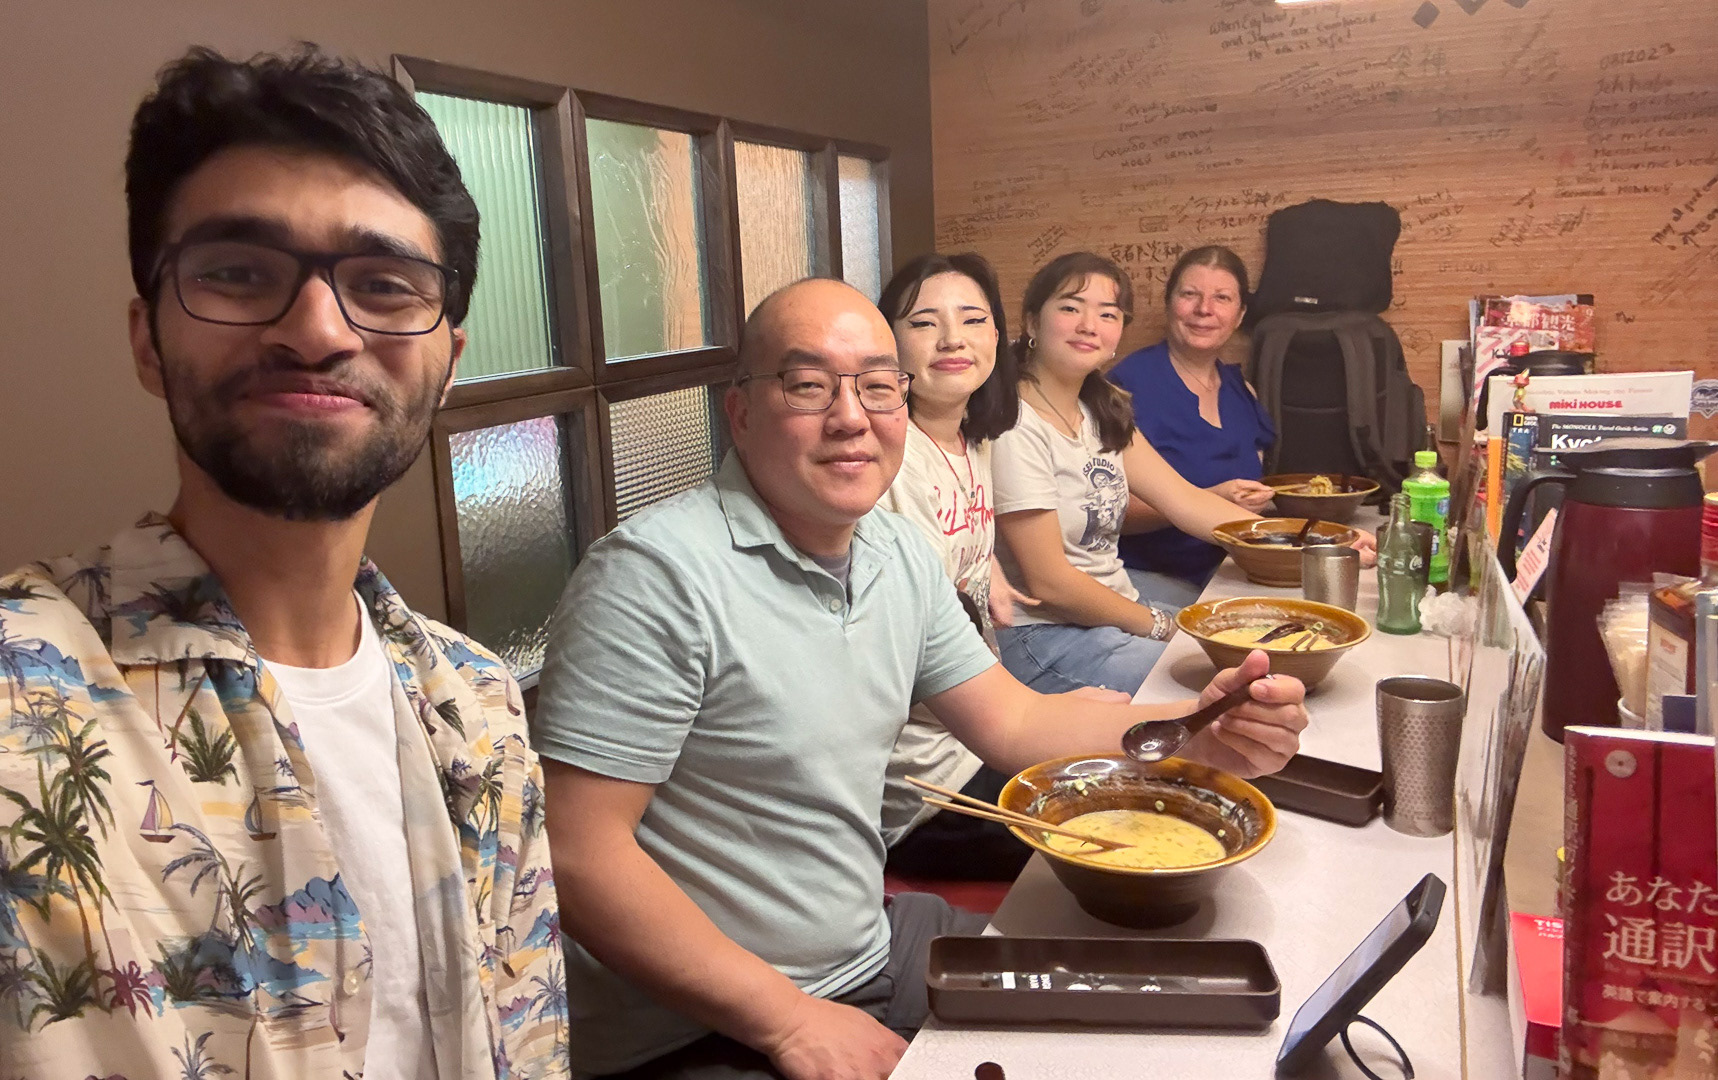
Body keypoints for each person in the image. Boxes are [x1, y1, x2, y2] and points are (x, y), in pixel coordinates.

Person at [533, 276, 1310, 1080]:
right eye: (808, 385)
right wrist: (788, 1020)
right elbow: (579, 854)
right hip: (697, 1022)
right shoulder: (652, 577)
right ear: (741, 411)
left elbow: (1013, 722)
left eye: (878, 386)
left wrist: (1196, 731)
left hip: (864, 945)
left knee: (1146, 1010)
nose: (851, 417)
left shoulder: (895, 553)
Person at [0, 48, 568, 1079]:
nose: (314, 330)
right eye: (237, 273)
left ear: (447, 360)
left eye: (383, 286)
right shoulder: (19, 696)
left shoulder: (480, 707)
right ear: (147, 339)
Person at [875, 252, 1083, 881]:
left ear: (997, 334)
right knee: (1104, 825)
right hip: (923, 782)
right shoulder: (886, 462)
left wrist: (987, 563)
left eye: (972, 319)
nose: (952, 339)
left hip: (977, 728)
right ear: (887, 342)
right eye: (923, 323)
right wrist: (1047, 716)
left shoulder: (973, 439)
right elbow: (909, 662)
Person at [992, 251, 1284, 696]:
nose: (1089, 325)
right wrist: (1161, 626)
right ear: (1032, 322)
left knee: (1262, 641)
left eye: (1107, 314)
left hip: (1113, 609)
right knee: (1232, 684)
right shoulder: (1014, 422)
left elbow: (1187, 500)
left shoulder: (1100, 406)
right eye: (1070, 308)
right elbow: (1050, 583)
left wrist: (1302, 541)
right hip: (1043, 636)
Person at [1108, 245, 1276, 606]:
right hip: (1147, 579)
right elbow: (1109, 514)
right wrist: (1213, 496)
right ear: (1169, 304)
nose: (1204, 309)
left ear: (1239, 315)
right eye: (1190, 294)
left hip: (1231, 571)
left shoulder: (1242, 390)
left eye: (1222, 298)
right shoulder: (1123, 389)